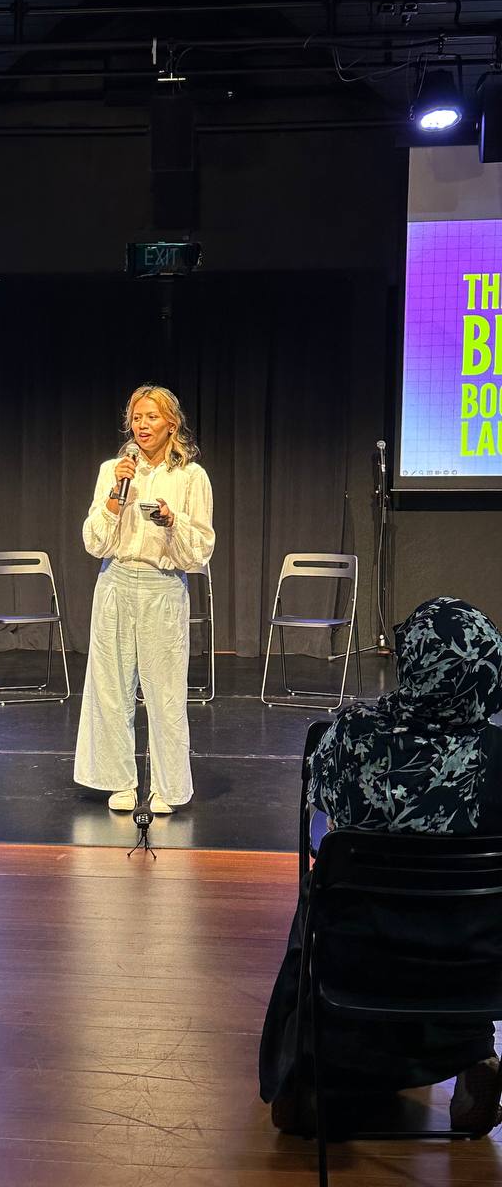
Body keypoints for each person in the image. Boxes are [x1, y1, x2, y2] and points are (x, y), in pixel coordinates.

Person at [260, 596, 502, 1137]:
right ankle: (472, 1055)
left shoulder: (349, 738)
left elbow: (322, 816)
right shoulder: (499, 755)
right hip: (470, 963)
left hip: (361, 953)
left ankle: (311, 1066)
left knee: (324, 885)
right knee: (471, 909)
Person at [73, 385, 215, 814]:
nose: (142, 425)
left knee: (165, 691)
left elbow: (200, 551)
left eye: (151, 417)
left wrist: (173, 522)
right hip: (115, 581)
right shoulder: (113, 471)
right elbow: (94, 541)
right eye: (136, 418)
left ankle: (168, 788)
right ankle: (119, 781)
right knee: (110, 687)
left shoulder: (191, 476)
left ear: (171, 423)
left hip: (163, 586)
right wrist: (118, 495)